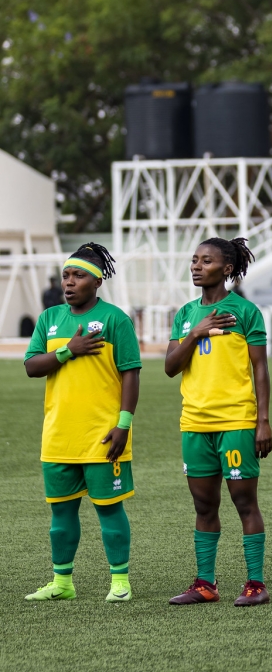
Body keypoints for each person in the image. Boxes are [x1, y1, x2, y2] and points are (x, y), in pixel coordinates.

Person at [23, 243, 141, 603]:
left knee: (109, 509)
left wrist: (123, 424)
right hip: (58, 435)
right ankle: (62, 583)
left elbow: (131, 374)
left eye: (78, 276)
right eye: (66, 275)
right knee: (60, 513)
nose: (69, 282)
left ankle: (120, 581)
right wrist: (66, 351)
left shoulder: (115, 319)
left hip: (103, 435)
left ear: (97, 281)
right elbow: (31, 366)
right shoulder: (49, 319)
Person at [164, 237, 272, 607]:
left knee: (245, 503)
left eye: (205, 261)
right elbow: (170, 367)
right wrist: (195, 332)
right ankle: (205, 584)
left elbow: (260, 368)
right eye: (194, 260)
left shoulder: (245, 312)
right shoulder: (184, 315)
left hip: (236, 421)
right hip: (194, 423)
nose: (196, 266)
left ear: (226, 269)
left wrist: (263, 421)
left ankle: (255, 583)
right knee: (204, 506)